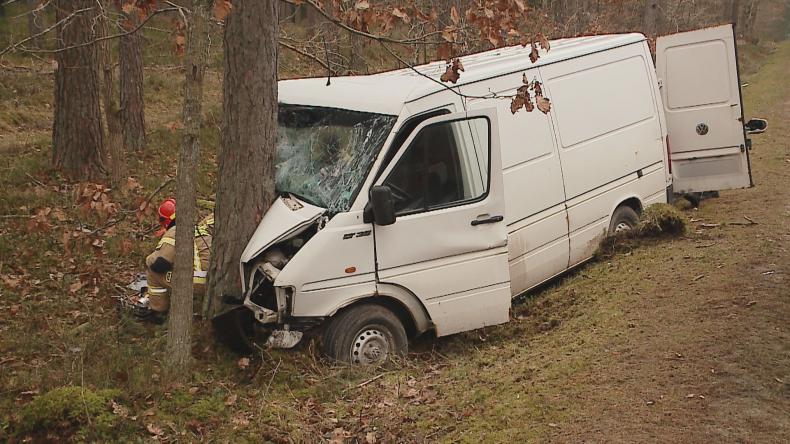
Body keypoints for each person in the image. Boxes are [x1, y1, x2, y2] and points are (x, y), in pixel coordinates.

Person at [138, 198, 213, 318]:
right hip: (214, 278)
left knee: (153, 273)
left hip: (199, 280)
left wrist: (149, 259)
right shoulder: (199, 229)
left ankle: (158, 312)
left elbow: (161, 265)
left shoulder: (175, 231)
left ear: (164, 220)